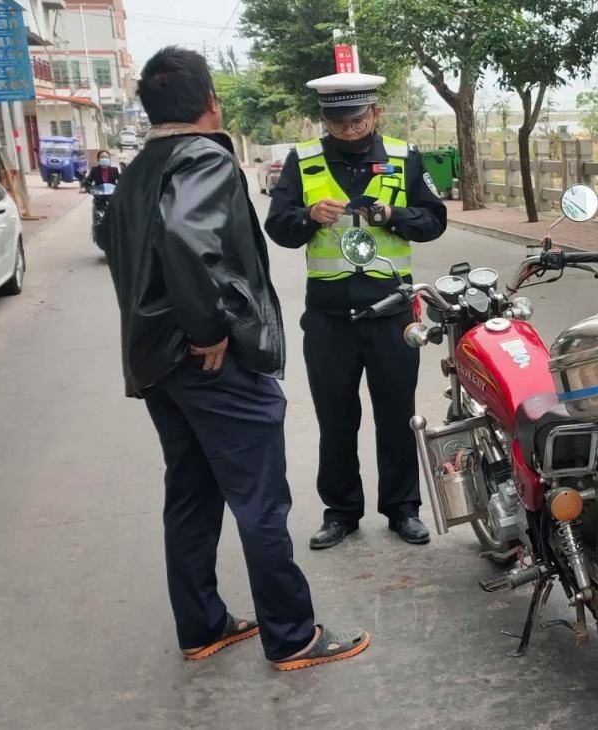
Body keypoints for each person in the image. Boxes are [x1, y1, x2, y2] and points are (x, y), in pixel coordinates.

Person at [99, 46, 369, 670]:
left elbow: (123, 251)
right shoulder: (202, 155)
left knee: (191, 493)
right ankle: (293, 635)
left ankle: (202, 625)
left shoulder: (140, 169)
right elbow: (188, 239)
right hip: (210, 363)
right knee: (260, 501)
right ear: (208, 101)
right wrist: (209, 326)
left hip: (158, 366)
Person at [266, 72, 447, 550]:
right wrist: (308, 217)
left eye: (357, 120)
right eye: (337, 122)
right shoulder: (302, 160)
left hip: (392, 315)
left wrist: (391, 216)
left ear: (376, 113)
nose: (348, 130)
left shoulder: (404, 157)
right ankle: (341, 512)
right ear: (324, 118)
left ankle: (403, 509)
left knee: (397, 415)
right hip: (329, 321)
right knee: (336, 419)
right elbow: (279, 227)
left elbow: (434, 221)